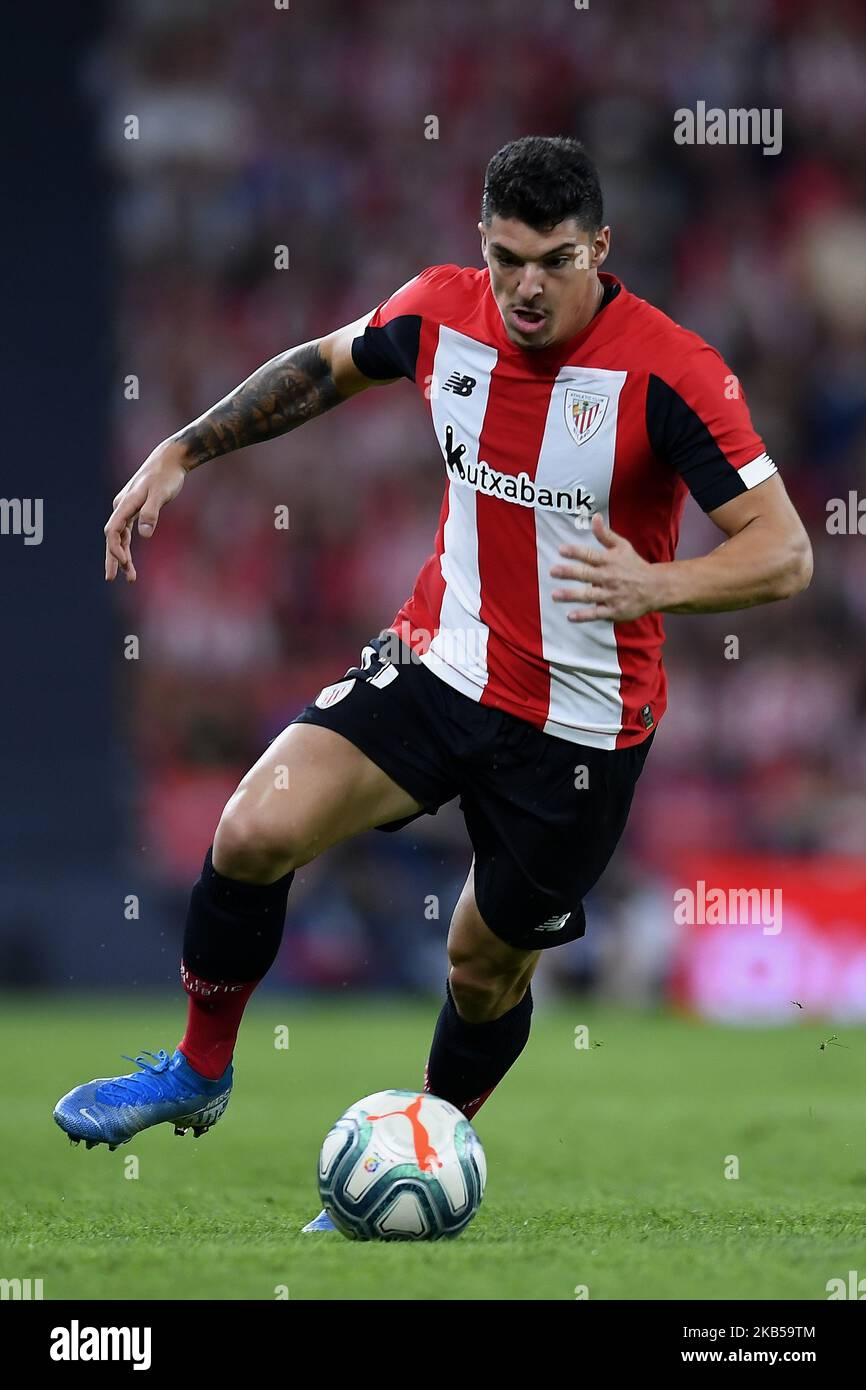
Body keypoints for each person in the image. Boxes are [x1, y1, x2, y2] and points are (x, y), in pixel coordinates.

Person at [54, 136, 812, 1232]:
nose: (525, 287)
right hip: (438, 659)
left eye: (553, 260)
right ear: (481, 245)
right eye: (505, 258)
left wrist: (658, 582)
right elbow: (322, 365)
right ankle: (197, 1068)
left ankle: (426, 1140)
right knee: (253, 828)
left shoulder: (672, 373)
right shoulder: (439, 312)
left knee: (480, 966)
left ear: (600, 248)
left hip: (581, 730)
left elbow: (784, 552)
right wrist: (182, 449)